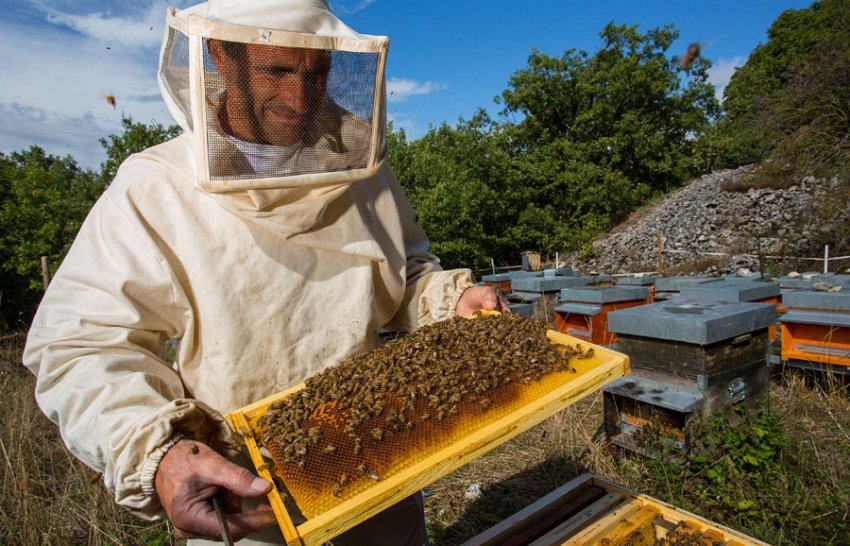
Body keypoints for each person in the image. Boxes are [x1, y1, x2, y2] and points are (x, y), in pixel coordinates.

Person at [22, 0, 505, 544]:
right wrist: (157, 453)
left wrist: (449, 299)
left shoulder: (362, 167)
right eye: (277, 70)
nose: (301, 98)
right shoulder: (154, 187)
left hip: (382, 458)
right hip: (244, 495)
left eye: (316, 73)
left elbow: (405, 273)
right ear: (222, 59)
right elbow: (80, 345)